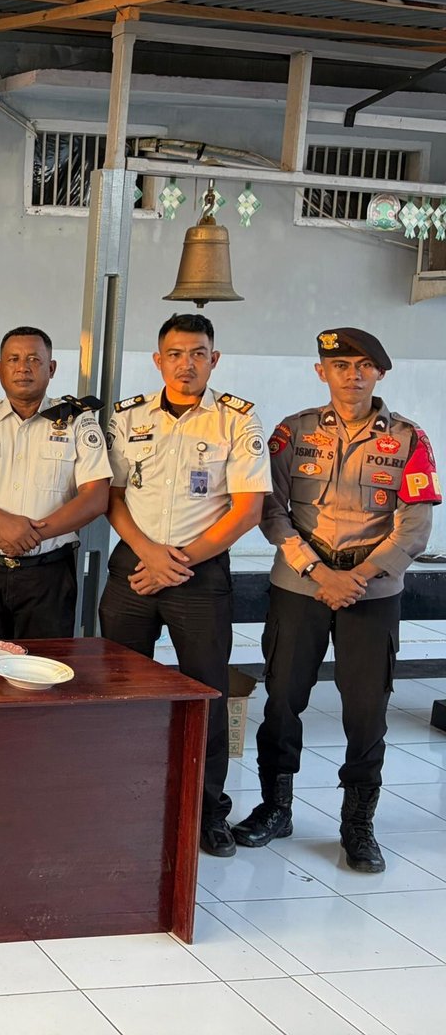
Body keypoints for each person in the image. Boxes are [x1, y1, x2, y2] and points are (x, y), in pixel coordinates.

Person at [233, 328, 438, 873]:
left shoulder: (410, 439)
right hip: (300, 586)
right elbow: (271, 510)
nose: (353, 374)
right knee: (283, 701)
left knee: (367, 711)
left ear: (380, 373)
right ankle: (276, 808)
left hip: (372, 591)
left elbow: (415, 527)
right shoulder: (292, 432)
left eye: (364, 365)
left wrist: (358, 576)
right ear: (321, 372)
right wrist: (318, 570)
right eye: (341, 365)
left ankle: (358, 824)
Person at [99, 313, 271, 858]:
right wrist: (150, 555)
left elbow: (248, 509)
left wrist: (178, 563)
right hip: (135, 565)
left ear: (213, 360)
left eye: (198, 353)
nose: (186, 364)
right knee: (119, 686)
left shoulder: (236, 419)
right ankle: (121, 798)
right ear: (158, 360)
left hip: (201, 571)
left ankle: (207, 809)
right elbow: (111, 497)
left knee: (206, 692)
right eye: (175, 354)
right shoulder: (127, 416)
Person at [0, 326, 111, 641]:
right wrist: (5, 522)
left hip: (49, 575)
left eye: (34, 359)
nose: (23, 367)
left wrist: (31, 535)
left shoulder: (79, 422)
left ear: (51, 368)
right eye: (13, 359)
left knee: (44, 664)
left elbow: (96, 497)